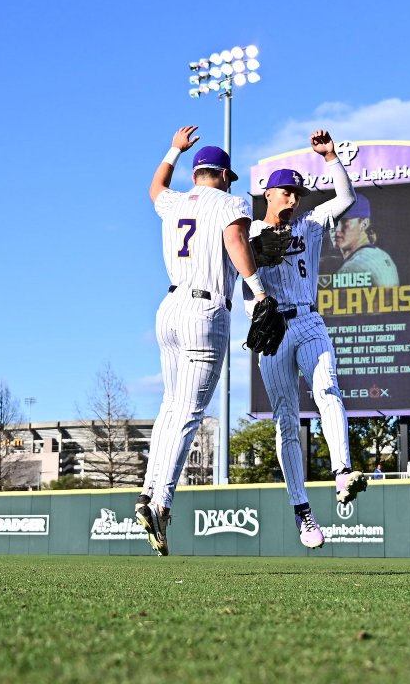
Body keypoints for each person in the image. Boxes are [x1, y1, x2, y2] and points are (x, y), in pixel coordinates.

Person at [135, 126, 269, 556]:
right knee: (189, 414)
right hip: (205, 309)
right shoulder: (232, 201)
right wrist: (258, 289)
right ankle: (160, 503)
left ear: (196, 174)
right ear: (225, 175)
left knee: (169, 408)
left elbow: (155, 187)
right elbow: (234, 239)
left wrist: (173, 148)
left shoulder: (174, 200)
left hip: (169, 308)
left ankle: (148, 490)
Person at [244, 129, 366, 549]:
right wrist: (253, 308)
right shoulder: (250, 232)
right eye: (286, 192)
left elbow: (346, 199)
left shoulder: (311, 225)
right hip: (274, 329)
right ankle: (302, 509)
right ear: (269, 195)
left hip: (310, 320)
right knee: (286, 419)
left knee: (328, 388)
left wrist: (331, 158)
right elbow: (236, 282)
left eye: (297, 192)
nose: (293, 199)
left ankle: (343, 472)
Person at [331, 193, 399, 286]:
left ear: (364, 224)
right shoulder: (381, 255)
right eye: (332, 221)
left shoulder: (351, 268)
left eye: (344, 221)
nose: (336, 229)